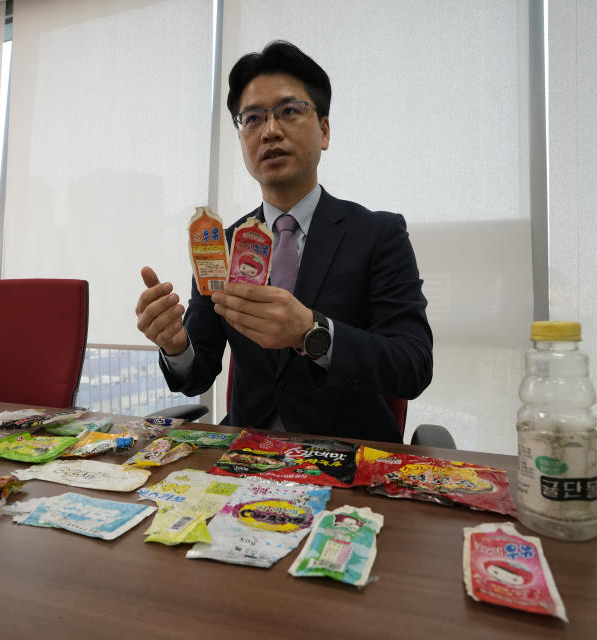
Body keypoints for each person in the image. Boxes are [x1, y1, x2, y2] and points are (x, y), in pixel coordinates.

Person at [135, 41, 432, 442]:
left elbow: (413, 365)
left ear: (324, 131)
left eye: (289, 112)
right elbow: (197, 373)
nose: (270, 130)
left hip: (345, 459)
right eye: (253, 119)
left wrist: (310, 332)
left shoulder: (378, 234)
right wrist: (175, 347)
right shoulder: (219, 244)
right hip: (243, 455)